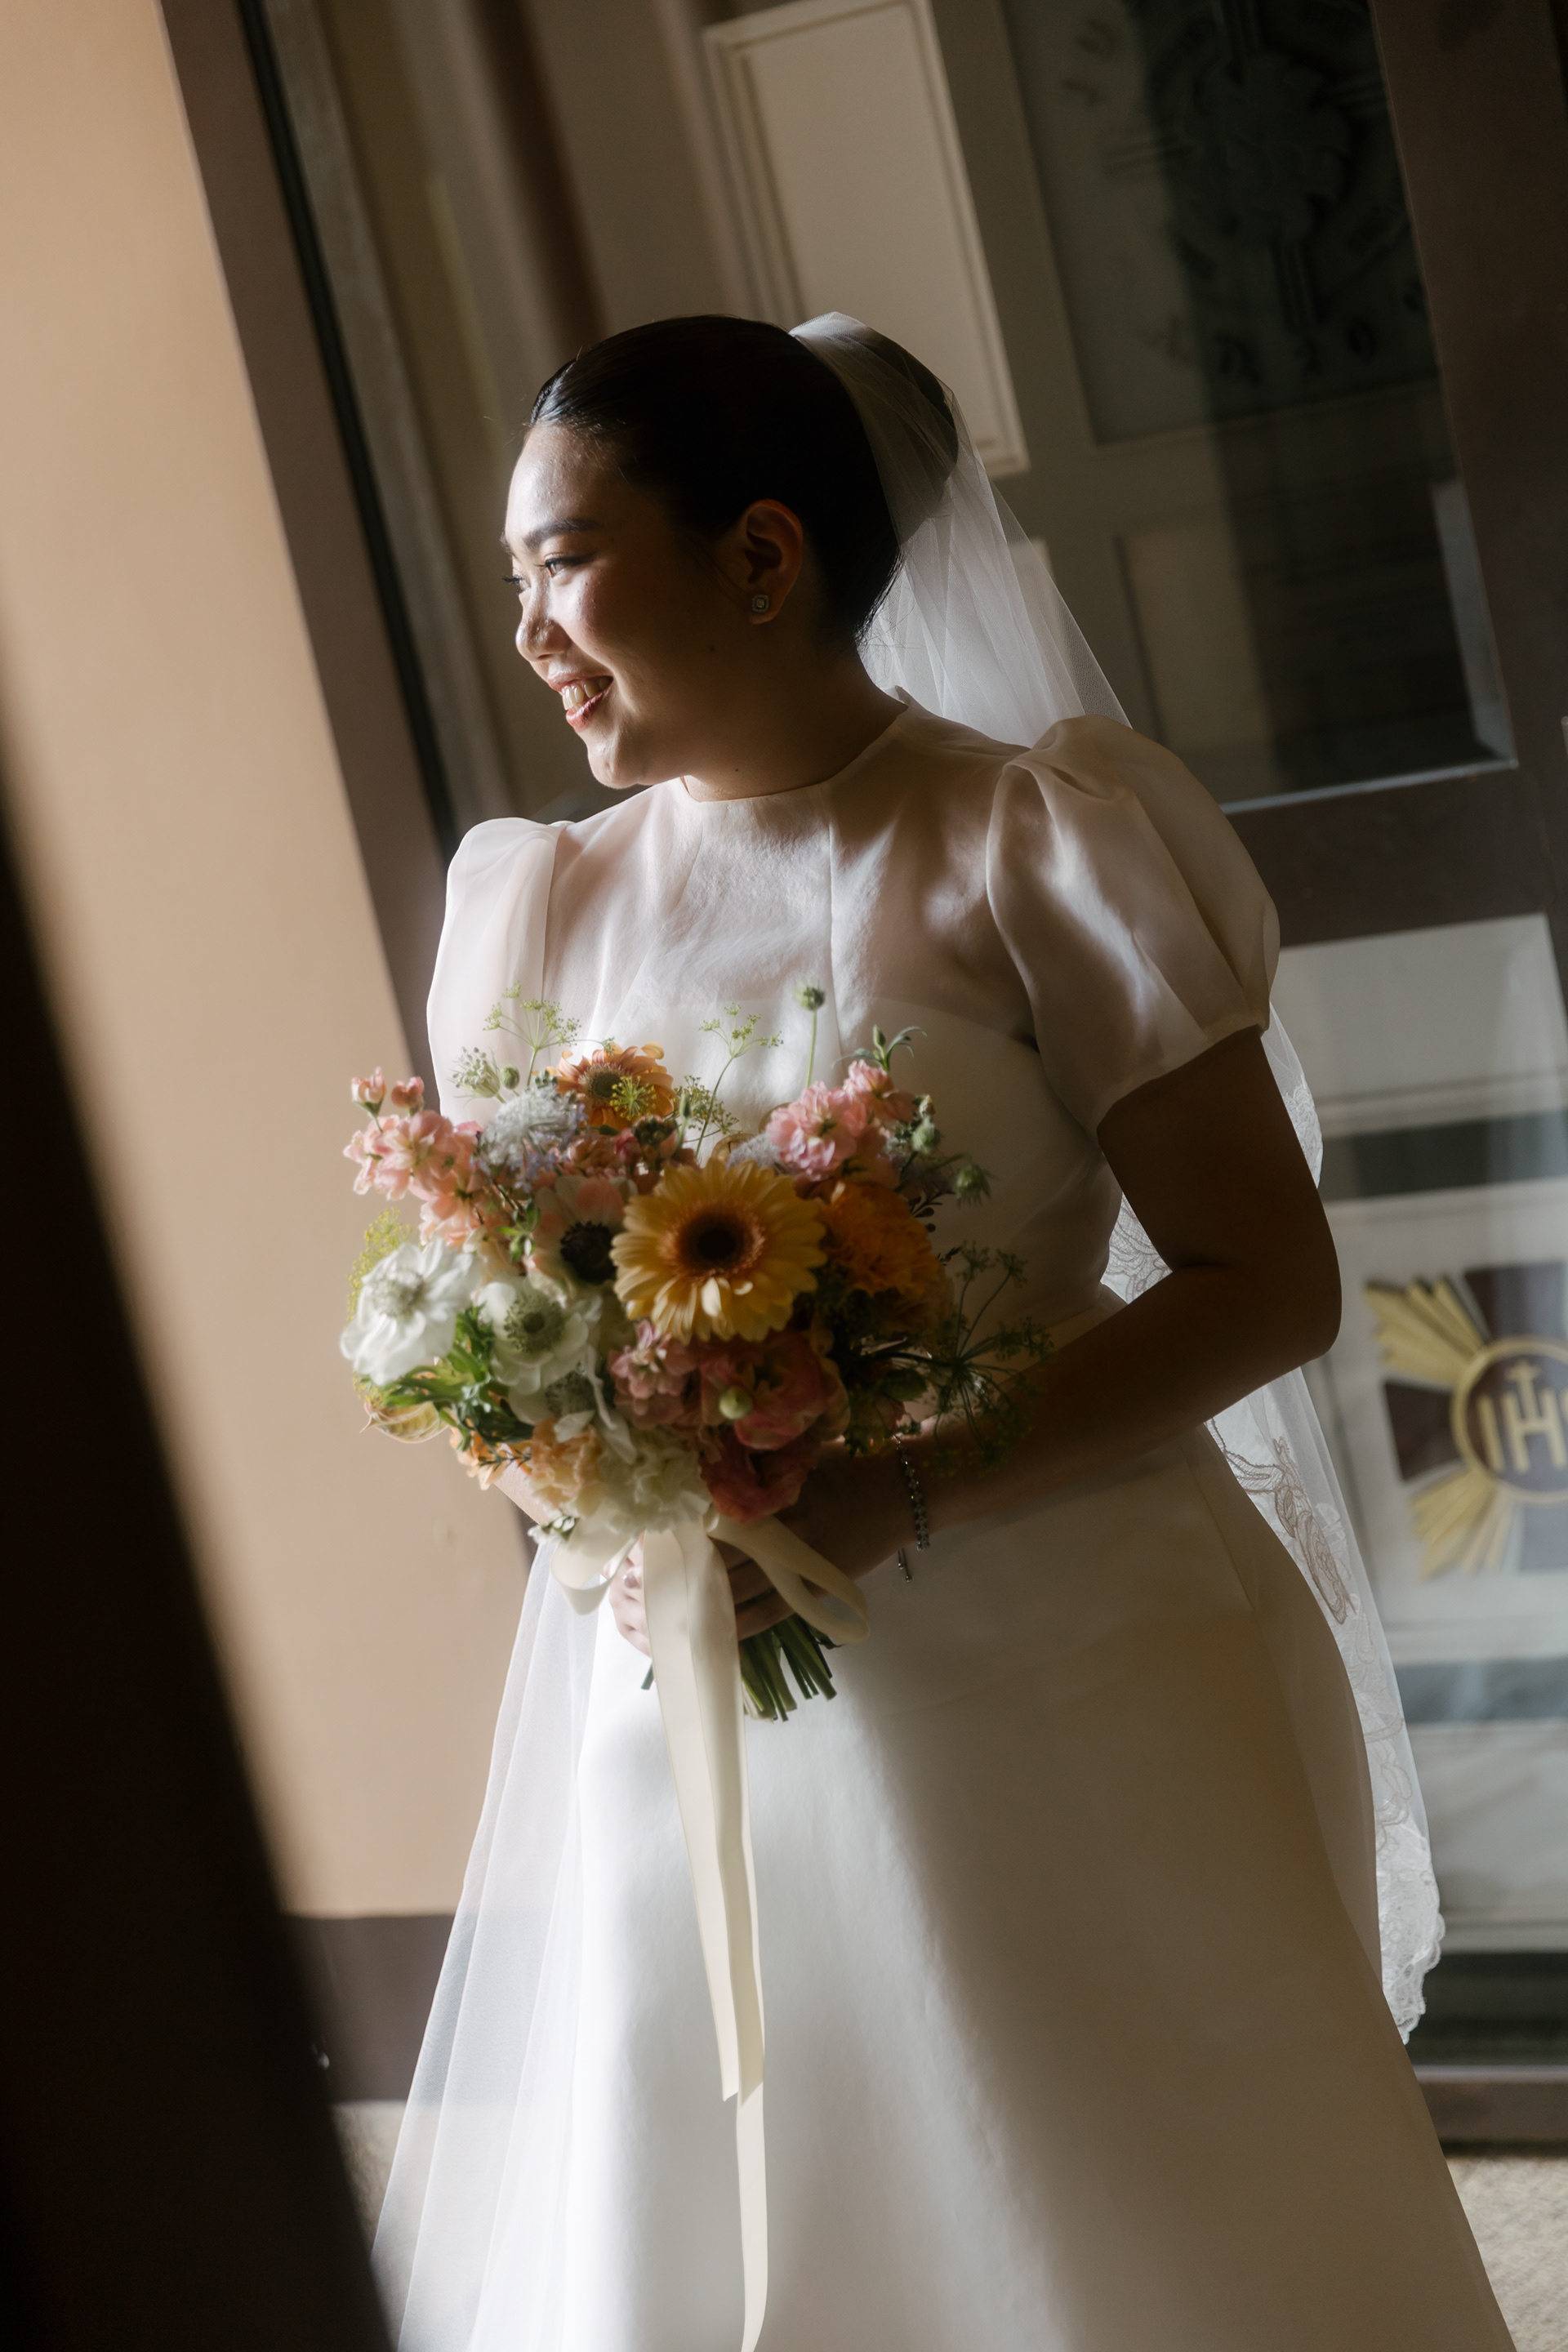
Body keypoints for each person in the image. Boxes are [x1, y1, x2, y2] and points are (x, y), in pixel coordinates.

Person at [372, 314, 1511, 2350]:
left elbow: (1267, 1278)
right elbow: (516, 1301)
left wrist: (894, 1490)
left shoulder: (1034, 839)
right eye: (515, 578)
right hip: (698, 1676)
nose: (529, 629)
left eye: (565, 561)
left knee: (1141, 2212)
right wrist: (577, 1466)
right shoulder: (538, 907)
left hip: (1072, 1650)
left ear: (761, 554)